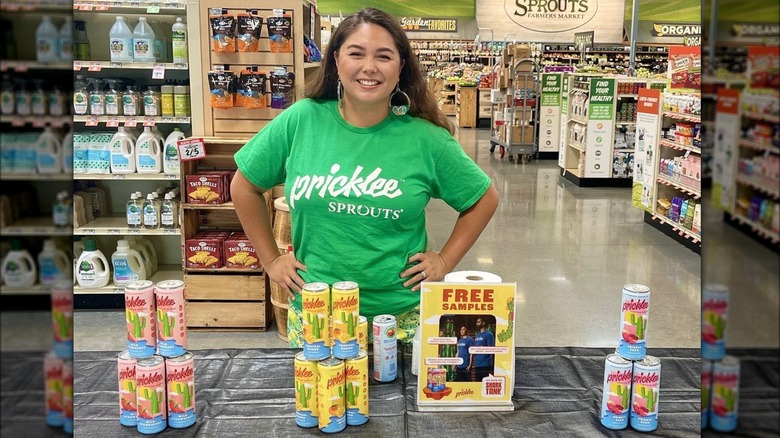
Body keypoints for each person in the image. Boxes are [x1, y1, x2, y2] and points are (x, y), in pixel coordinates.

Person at [231, 7, 499, 348]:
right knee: (322, 401)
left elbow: (482, 197)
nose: (369, 67)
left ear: (401, 67)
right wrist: (270, 260)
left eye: (384, 56)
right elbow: (244, 186)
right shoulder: (301, 120)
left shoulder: (425, 138)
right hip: (317, 314)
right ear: (336, 61)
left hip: (401, 319)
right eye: (356, 53)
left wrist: (444, 260)